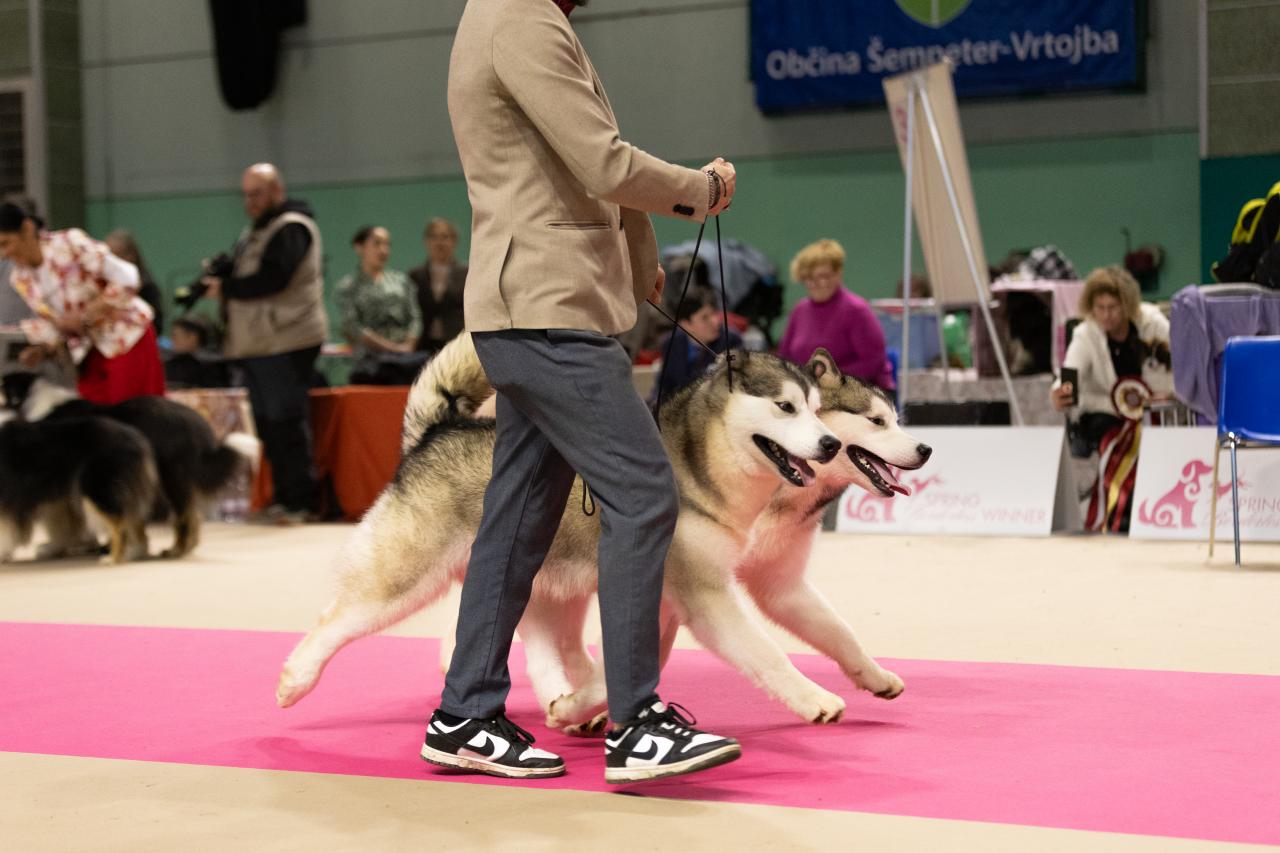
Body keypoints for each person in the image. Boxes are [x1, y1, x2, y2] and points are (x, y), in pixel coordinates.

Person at [421, 0, 739, 784]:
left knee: (517, 519)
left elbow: (572, 168)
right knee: (644, 490)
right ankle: (637, 722)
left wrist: (637, 261)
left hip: (535, 309)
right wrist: (702, 189)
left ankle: (465, 714)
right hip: (547, 313)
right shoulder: (521, 19)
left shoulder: (515, 16)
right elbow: (603, 162)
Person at [199, 163, 328, 525]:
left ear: (277, 191)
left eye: (257, 194)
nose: (250, 202)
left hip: (286, 340)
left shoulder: (292, 228)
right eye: (246, 195)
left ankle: (301, 501)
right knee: (269, 426)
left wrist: (226, 288)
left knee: (286, 421)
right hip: (259, 343)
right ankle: (284, 498)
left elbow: (274, 278)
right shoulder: (257, 231)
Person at [0, 197, 165, 404]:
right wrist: (43, 349)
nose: (4, 254)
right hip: (88, 354)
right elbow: (54, 323)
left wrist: (87, 314)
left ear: (27, 228)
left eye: (6, 243)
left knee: (134, 411)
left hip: (126, 339)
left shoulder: (69, 243)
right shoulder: (21, 278)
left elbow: (128, 277)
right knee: (93, 415)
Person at [1050, 266, 1171, 531]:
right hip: (1105, 411)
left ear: (1127, 305)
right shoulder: (1085, 334)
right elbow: (1070, 374)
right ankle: (1117, 516)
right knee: (1114, 441)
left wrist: (1169, 394)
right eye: (1100, 307)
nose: (1106, 314)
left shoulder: (1153, 324)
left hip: (1153, 410)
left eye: (1113, 307)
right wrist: (1060, 392)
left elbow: (1179, 365)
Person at [776, 238, 895, 394]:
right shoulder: (799, 310)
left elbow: (873, 363)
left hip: (860, 394)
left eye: (823, 276)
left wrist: (827, 380)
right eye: (809, 278)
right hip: (811, 391)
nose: (815, 283)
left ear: (838, 274)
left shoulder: (856, 310)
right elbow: (784, 358)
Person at [335, 225, 423, 383]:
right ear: (359, 247)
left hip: (405, 362)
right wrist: (392, 348)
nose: (383, 250)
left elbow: (415, 318)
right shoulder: (347, 287)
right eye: (377, 243)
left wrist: (408, 345)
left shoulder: (402, 282)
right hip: (369, 363)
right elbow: (353, 326)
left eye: (387, 244)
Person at [650, 285, 742, 403]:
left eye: (714, 314)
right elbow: (663, 386)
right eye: (705, 317)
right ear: (686, 324)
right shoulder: (670, 343)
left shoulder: (731, 341)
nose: (715, 321)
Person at [407, 218, 467, 353]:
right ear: (426, 241)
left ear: (454, 241)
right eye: (434, 237)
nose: (440, 242)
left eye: (445, 237)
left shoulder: (467, 273)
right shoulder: (415, 275)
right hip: (423, 345)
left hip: (457, 344)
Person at [105, 229, 165, 335]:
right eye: (107, 256)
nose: (110, 261)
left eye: (116, 256)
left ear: (130, 255)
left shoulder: (146, 285)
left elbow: (156, 325)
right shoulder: (103, 283)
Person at [164, 313, 230, 388]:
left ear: (193, 337)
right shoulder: (171, 364)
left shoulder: (211, 366)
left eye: (175, 336)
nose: (173, 341)